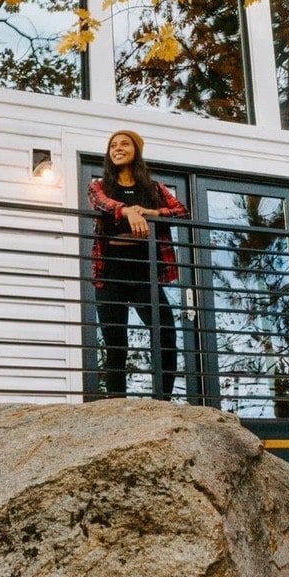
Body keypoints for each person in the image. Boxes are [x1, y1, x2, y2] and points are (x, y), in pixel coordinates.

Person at [88, 130, 189, 400]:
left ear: (137, 151)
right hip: (111, 273)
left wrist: (152, 213)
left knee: (166, 334)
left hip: (146, 272)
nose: (117, 148)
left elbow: (182, 212)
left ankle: (163, 400)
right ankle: (116, 404)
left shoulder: (155, 189)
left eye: (124, 144)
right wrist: (129, 210)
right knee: (116, 344)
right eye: (112, 145)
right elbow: (103, 204)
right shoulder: (100, 185)